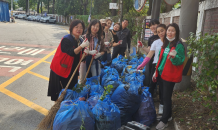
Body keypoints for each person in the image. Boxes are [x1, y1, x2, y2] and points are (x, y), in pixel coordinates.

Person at [154, 23, 185, 130]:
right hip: (162, 74)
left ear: (176, 32)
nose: (169, 33)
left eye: (172, 31)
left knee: (166, 98)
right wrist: (156, 71)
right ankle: (169, 115)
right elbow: (161, 58)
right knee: (163, 96)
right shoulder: (166, 43)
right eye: (168, 30)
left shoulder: (178, 45)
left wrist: (174, 57)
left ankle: (164, 120)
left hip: (169, 76)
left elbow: (180, 61)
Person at [47, 20, 88, 101]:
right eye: (76, 27)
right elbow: (71, 52)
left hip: (73, 69)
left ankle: (67, 106)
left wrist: (88, 52)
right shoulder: (66, 39)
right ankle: (59, 108)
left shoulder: (80, 40)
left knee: (71, 89)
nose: (79, 29)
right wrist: (81, 46)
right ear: (71, 28)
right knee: (61, 92)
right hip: (61, 69)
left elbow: (82, 56)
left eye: (81, 27)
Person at [137, 24, 167, 115]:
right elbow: (150, 55)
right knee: (152, 84)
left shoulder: (170, 42)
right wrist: (142, 65)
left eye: (162, 30)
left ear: (166, 30)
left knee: (162, 88)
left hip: (165, 67)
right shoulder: (156, 42)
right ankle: (147, 104)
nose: (161, 33)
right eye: (158, 32)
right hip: (156, 66)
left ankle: (162, 106)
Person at [138, 19, 160, 87]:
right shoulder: (150, 38)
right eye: (150, 25)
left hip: (160, 60)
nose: (152, 27)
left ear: (159, 25)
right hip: (152, 60)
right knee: (151, 77)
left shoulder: (161, 37)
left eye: (154, 24)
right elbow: (149, 52)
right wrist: (142, 46)